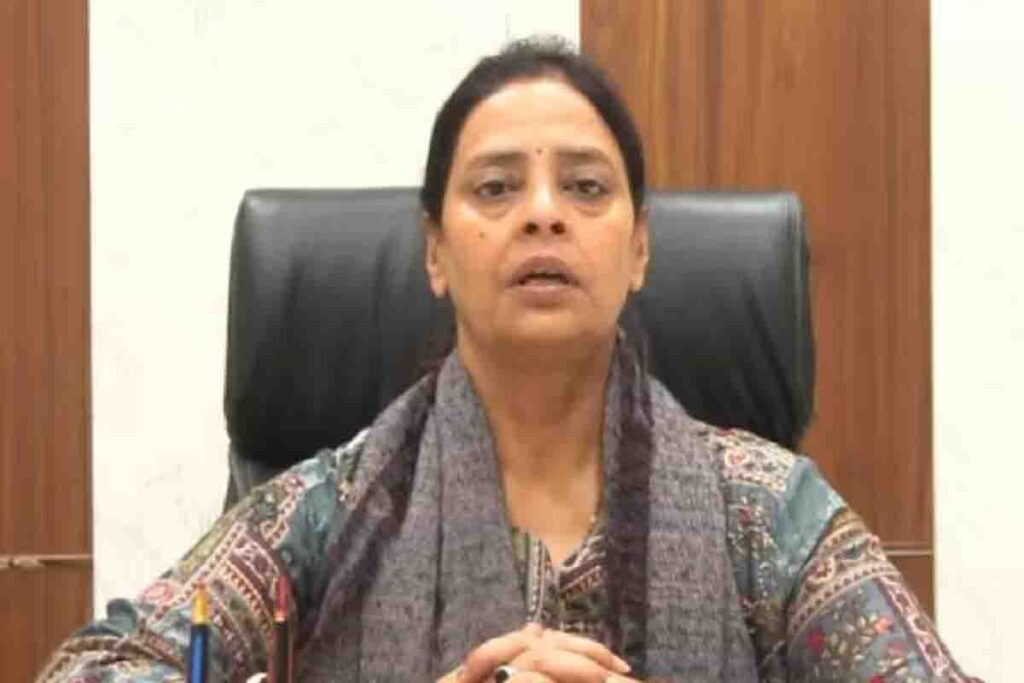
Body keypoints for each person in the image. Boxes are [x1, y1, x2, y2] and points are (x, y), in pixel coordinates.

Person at [41, 38, 973, 682]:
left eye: (586, 186)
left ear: (639, 249)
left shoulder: (766, 514)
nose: (543, 213)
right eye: (495, 187)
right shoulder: (329, 511)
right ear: (435, 253)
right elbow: (90, 669)